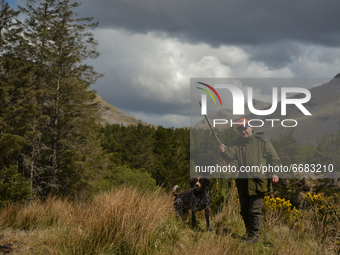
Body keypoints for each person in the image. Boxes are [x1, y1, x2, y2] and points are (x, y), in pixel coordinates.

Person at [219, 118, 280, 243]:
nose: (243, 131)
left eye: (244, 127)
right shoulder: (238, 144)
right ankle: (249, 233)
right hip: (244, 183)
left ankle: (253, 237)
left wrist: (275, 172)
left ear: (250, 126)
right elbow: (230, 155)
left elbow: (274, 159)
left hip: (259, 183)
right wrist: (223, 151)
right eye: (239, 129)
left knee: (254, 211)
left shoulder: (262, 142)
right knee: (244, 211)